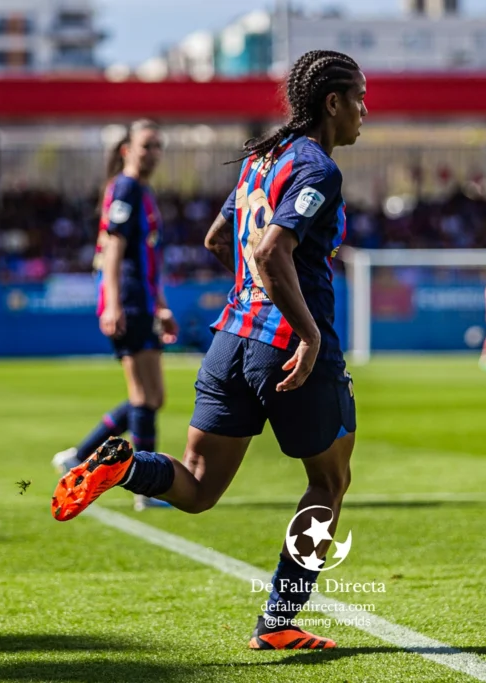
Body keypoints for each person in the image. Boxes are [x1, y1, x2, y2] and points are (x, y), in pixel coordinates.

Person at [51, 50, 366, 650]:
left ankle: (124, 466)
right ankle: (278, 622)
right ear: (332, 103)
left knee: (195, 487)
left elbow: (220, 238)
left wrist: (252, 298)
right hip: (288, 347)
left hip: (230, 340)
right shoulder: (316, 168)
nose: (364, 112)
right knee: (329, 481)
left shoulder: (260, 160)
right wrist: (307, 331)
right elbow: (272, 253)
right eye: (359, 98)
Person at [51, 119, 178, 511]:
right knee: (144, 397)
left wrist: (160, 304)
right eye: (147, 146)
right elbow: (113, 248)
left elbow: (147, 258)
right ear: (127, 149)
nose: (153, 153)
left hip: (143, 301)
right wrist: (113, 303)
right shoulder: (125, 188)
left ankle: (81, 456)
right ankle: (146, 488)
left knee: (152, 397)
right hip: (128, 301)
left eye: (158, 146)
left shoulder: (142, 191)